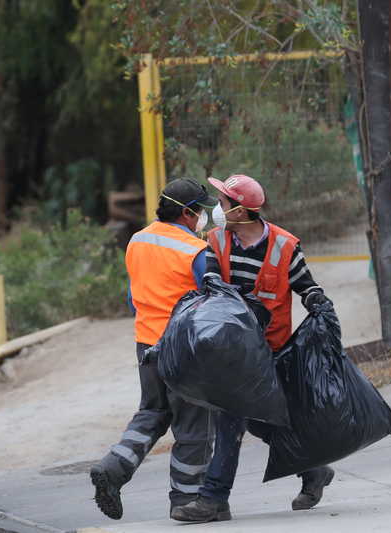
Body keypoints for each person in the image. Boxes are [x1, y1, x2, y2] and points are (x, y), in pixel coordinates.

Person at [170, 174, 334, 523]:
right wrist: (212, 281)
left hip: (270, 351)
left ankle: (215, 499)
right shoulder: (215, 240)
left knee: (245, 420)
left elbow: (305, 285)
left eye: (224, 202)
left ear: (242, 211)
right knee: (238, 418)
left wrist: (318, 301)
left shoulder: (285, 245)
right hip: (232, 354)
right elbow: (212, 276)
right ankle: (310, 470)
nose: (218, 208)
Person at [90, 178, 218, 520]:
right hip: (186, 346)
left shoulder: (137, 240)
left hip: (147, 342)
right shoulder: (195, 251)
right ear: (188, 213)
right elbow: (213, 300)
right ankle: (186, 501)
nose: (203, 217)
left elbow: (134, 296)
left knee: (153, 412)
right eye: (201, 211)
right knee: (194, 423)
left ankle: (114, 468)